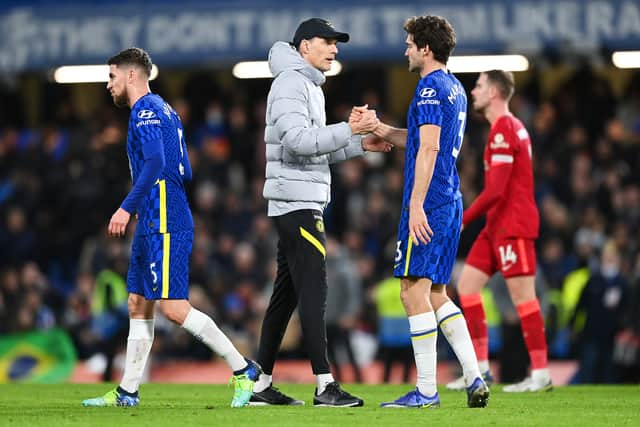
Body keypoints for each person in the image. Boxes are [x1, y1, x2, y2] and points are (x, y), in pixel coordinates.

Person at [82, 47, 260, 408]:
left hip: (163, 220)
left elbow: (156, 162)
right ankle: (127, 391)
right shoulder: (167, 109)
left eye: (112, 76)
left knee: (173, 308)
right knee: (137, 302)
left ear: (132, 75)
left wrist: (125, 207)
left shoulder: (144, 111)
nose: (108, 85)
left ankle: (243, 369)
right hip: (155, 218)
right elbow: (185, 170)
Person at [354, 15, 489, 408]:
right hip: (450, 198)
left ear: (425, 48)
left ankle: (427, 390)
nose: (406, 50)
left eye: (411, 43)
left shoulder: (429, 88)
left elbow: (428, 149)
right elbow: (418, 139)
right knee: (436, 293)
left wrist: (415, 204)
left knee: (412, 291)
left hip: (429, 201)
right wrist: (378, 129)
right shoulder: (454, 87)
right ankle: (474, 375)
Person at [250, 18, 386, 407]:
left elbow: (313, 149)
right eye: (327, 42)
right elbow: (297, 143)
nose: (334, 49)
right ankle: (325, 385)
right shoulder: (292, 83)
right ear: (305, 45)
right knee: (315, 290)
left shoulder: (304, 84)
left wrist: (360, 144)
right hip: (298, 204)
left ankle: (260, 386)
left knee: (285, 297)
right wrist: (349, 127)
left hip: (295, 199)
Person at [445, 69, 553, 393]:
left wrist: (461, 219)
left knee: (524, 298)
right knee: (467, 287)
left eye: (477, 86)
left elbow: (496, 191)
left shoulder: (505, 128)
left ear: (493, 91)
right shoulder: (507, 128)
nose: (473, 91)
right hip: (496, 228)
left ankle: (542, 374)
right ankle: (479, 369)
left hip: (513, 226)